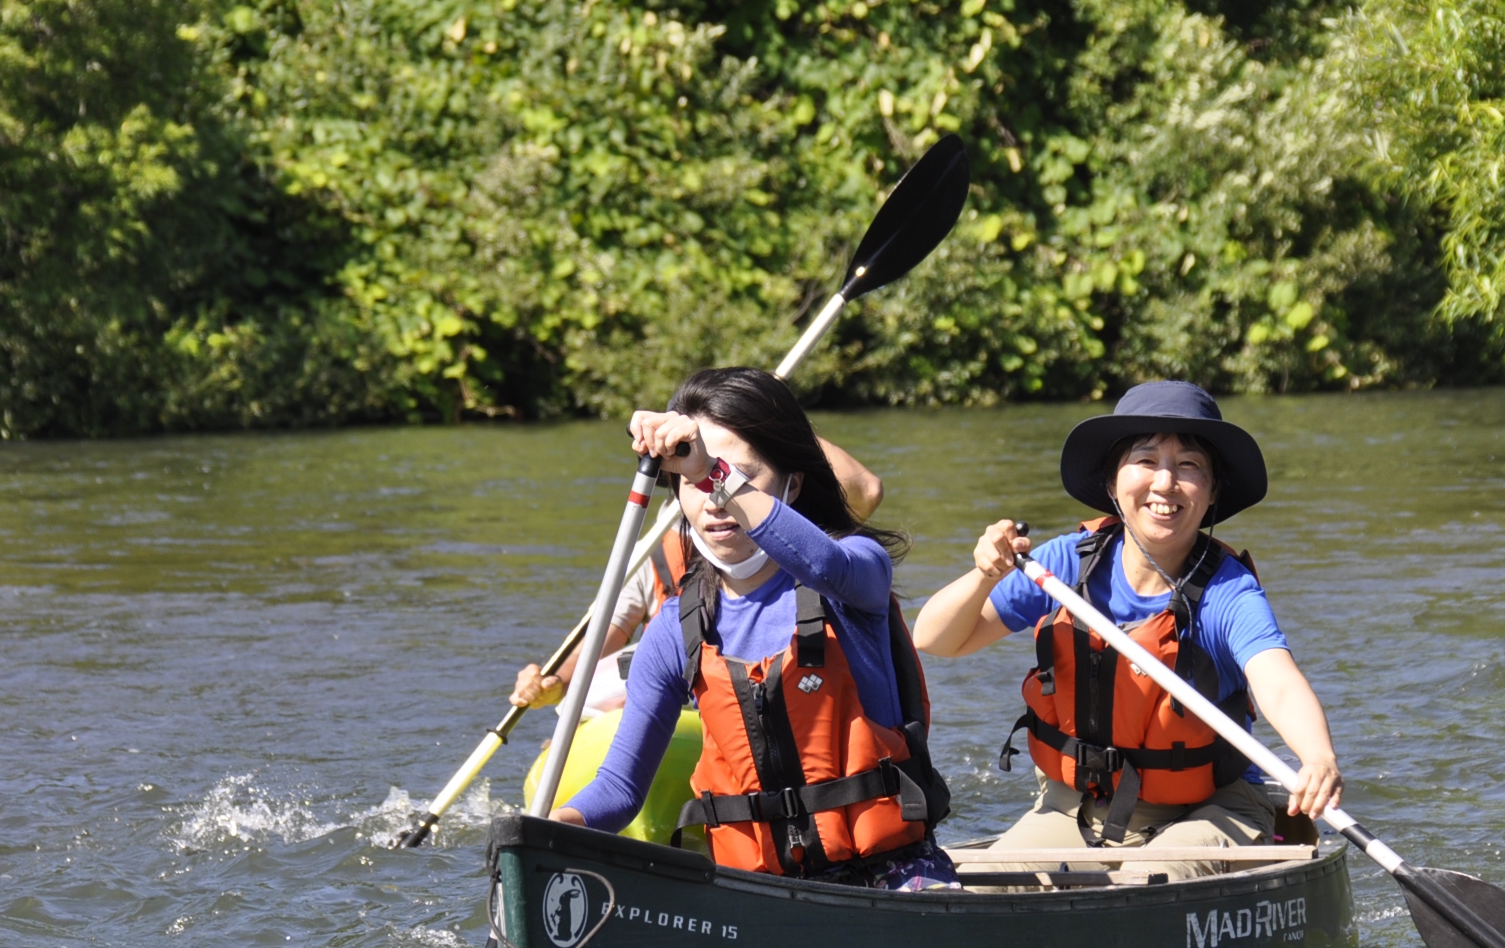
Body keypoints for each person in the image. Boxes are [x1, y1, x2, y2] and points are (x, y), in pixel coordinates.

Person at [912, 380, 1341, 879]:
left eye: (1189, 466)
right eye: (1146, 461)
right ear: (1113, 485)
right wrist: (985, 575)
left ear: (1211, 493)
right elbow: (935, 639)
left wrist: (1318, 756)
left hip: (1206, 809)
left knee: (1142, 886)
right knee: (979, 888)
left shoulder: (1228, 591)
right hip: (1076, 811)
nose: (1165, 483)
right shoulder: (1063, 565)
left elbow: (1278, 682)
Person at [551, 367, 953, 887]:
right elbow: (618, 793)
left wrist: (712, 470)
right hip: (759, 893)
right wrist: (544, 832)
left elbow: (827, 566)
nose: (712, 499)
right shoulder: (675, 630)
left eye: (735, 475)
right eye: (691, 482)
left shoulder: (856, 572)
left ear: (793, 482)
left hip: (891, 875)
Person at [509, 438, 885, 713]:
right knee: (597, 697)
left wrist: (779, 422)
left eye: (722, 478)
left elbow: (865, 491)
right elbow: (606, 632)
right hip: (678, 683)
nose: (714, 502)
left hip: (765, 682)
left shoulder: (790, 531)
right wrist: (556, 682)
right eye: (694, 483)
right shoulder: (655, 549)